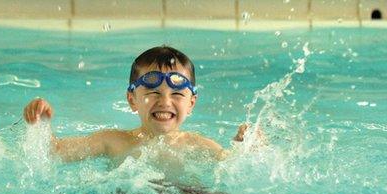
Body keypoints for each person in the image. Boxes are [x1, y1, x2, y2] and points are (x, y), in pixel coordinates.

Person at [23, 46, 248, 163]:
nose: (165, 101)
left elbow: (234, 166)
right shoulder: (113, 141)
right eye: (153, 91)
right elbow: (53, 153)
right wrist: (41, 124)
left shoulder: (199, 145)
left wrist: (247, 147)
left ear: (191, 103)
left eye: (177, 94)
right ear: (132, 100)